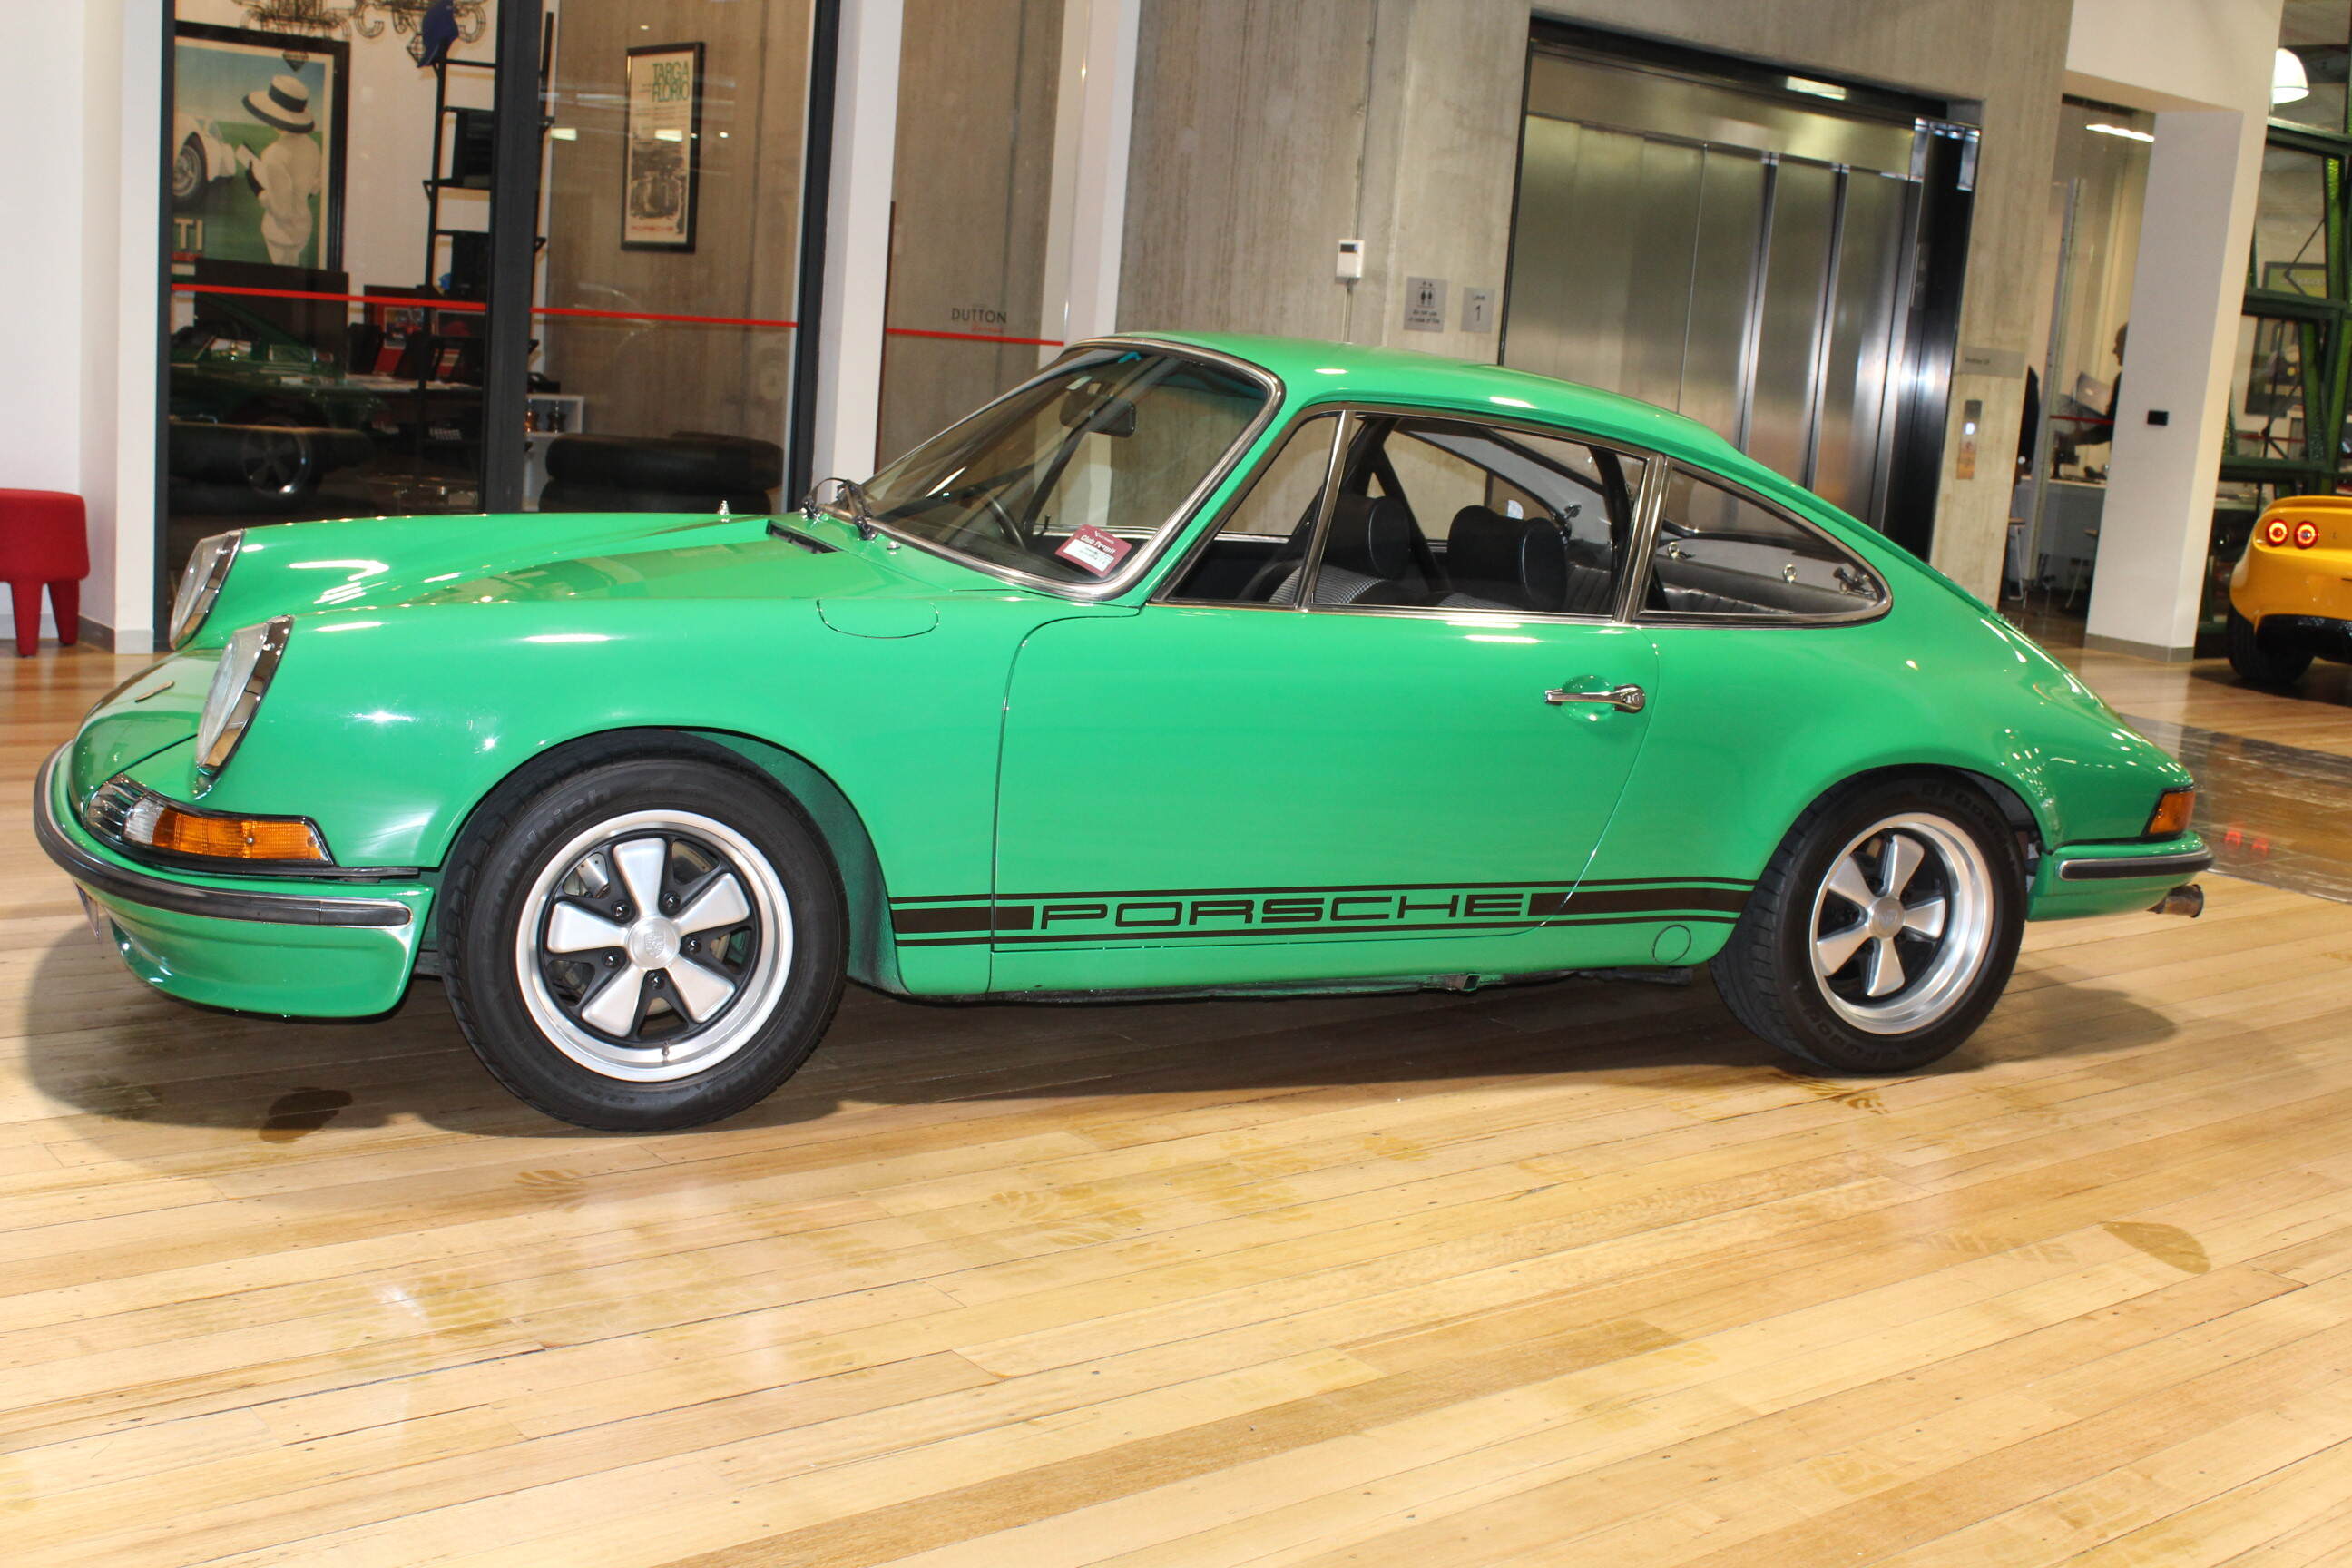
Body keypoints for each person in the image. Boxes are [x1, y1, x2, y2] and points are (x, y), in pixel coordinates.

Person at [235, 74, 323, 268]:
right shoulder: (313, 147)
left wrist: (258, 189)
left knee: (282, 283)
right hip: (303, 227)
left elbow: (281, 211)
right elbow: (314, 187)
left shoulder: (274, 154)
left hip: (280, 234)